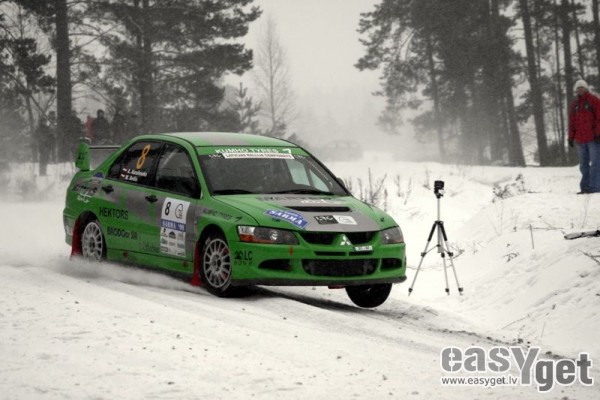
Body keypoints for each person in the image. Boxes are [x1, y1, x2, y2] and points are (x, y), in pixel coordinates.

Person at [568, 79, 600, 194]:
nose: (580, 89)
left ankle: (595, 187)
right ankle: (585, 187)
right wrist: (571, 137)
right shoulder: (574, 105)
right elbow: (572, 122)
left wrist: (598, 133)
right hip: (581, 140)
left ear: (586, 88)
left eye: (582, 87)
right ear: (576, 90)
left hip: (593, 139)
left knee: (596, 163)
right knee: (583, 165)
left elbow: (599, 118)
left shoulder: (594, 100)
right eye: (578, 88)